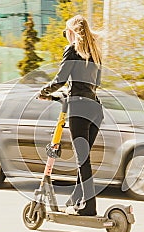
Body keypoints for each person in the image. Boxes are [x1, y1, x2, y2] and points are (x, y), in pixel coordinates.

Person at [37, 15, 103, 216]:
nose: (66, 36)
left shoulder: (72, 50)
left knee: (82, 161)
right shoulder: (95, 53)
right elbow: (95, 84)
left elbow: (60, 80)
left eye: (66, 31)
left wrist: (43, 92)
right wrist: (69, 93)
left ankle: (89, 206)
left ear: (72, 32)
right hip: (95, 109)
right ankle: (76, 199)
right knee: (84, 160)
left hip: (80, 109)